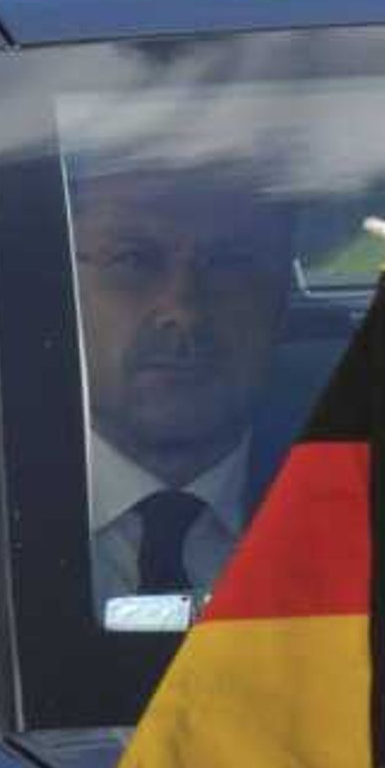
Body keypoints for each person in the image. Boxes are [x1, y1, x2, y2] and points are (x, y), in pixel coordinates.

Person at [73, 164, 290, 606]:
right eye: (133, 260)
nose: (182, 310)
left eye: (229, 265)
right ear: (62, 288)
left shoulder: (373, 517)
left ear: (281, 301)